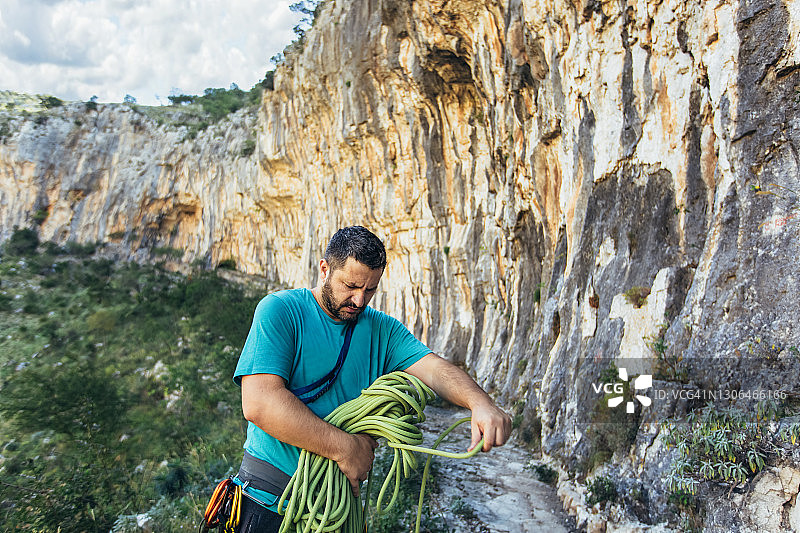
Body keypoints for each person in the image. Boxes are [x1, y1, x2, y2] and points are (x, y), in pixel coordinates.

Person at [231, 225, 512, 532]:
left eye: (370, 289)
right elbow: (259, 402)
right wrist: (346, 448)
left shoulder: (383, 330)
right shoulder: (281, 311)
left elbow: (435, 369)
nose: (359, 300)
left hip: (334, 510)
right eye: (350, 285)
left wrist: (480, 403)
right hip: (266, 501)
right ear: (324, 269)